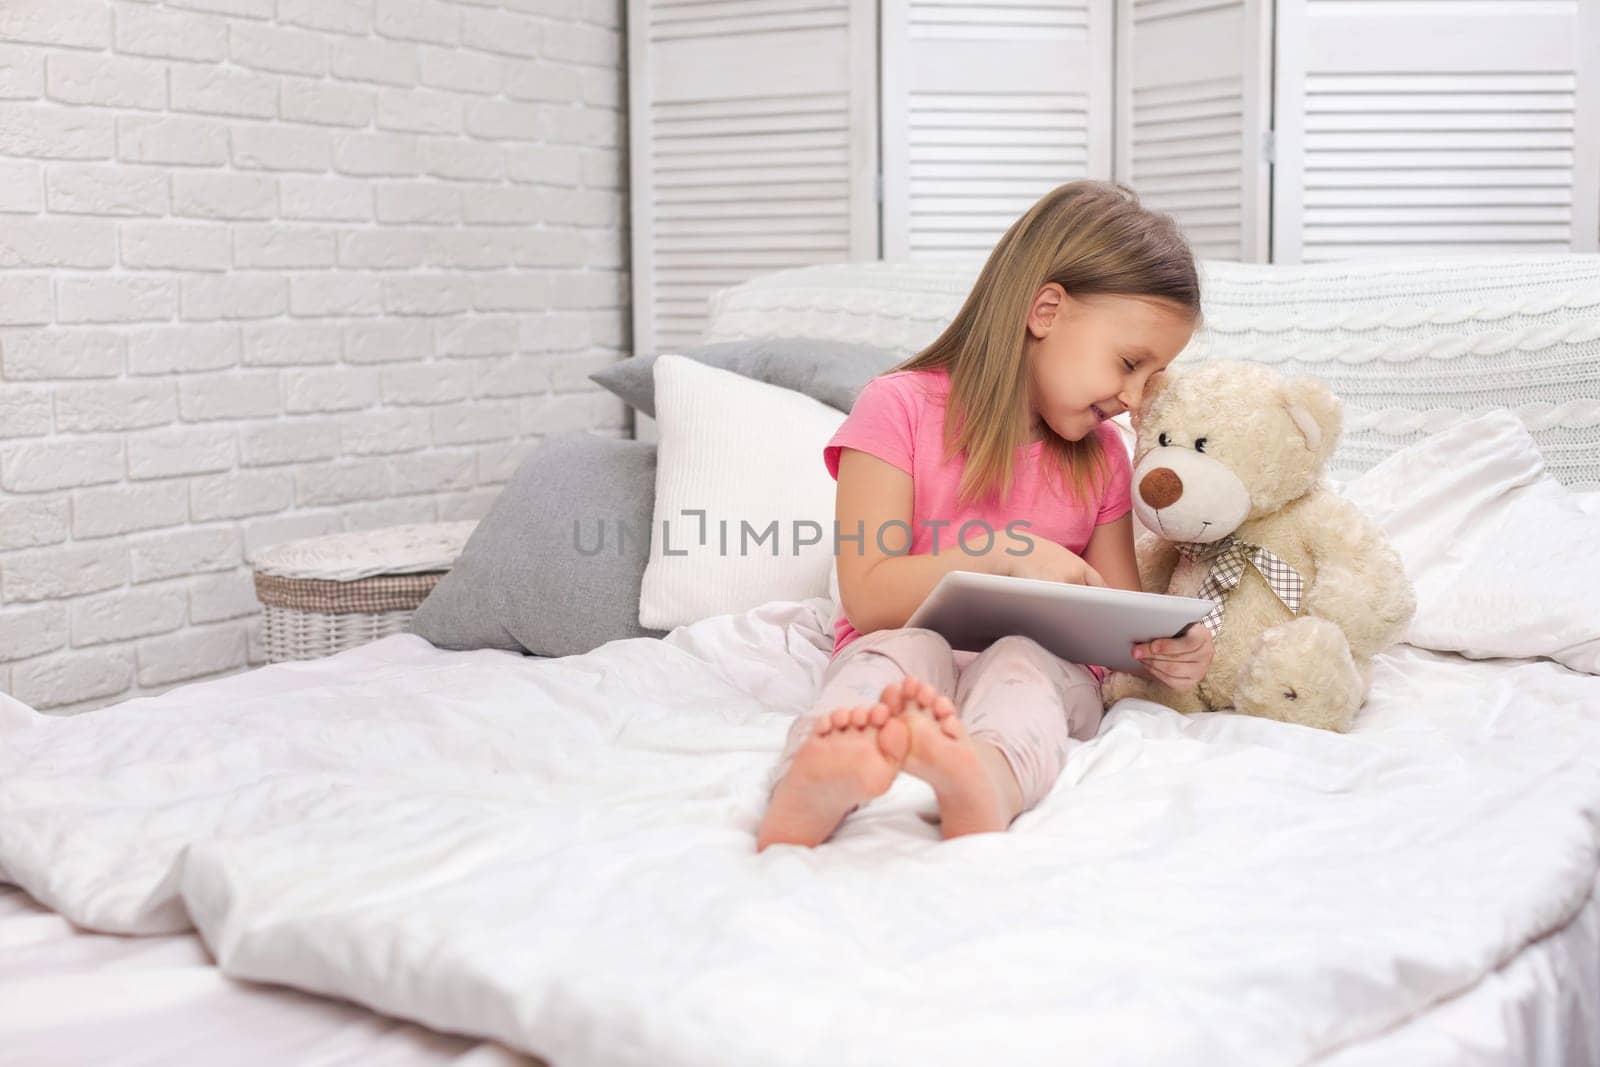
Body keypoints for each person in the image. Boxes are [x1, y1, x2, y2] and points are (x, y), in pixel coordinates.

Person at [755, 180, 1216, 851]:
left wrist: (1165, 650)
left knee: (1024, 660)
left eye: (1154, 377)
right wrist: (999, 552)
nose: (1136, 399)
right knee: (900, 652)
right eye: (1129, 363)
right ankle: (816, 780)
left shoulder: (1106, 456)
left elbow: (1118, 615)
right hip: (900, 641)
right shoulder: (898, 408)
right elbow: (868, 591)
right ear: (1047, 310)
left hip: (1047, 668)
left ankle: (986, 780)